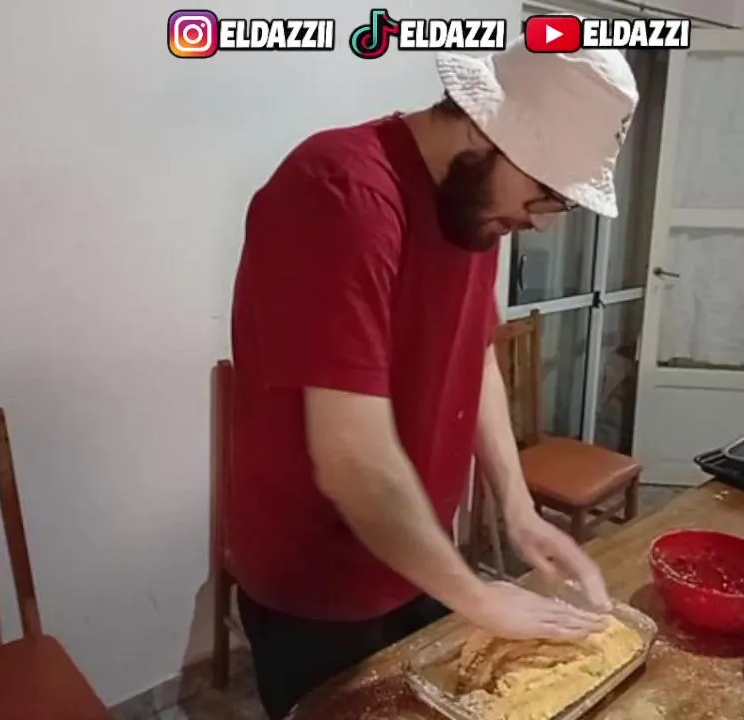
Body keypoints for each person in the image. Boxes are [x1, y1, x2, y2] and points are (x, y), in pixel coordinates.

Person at [228, 34, 640, 719]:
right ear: (486, 128)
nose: (539, 223)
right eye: (546, 194)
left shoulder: (472, 205)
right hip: (318, 576)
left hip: (416, 554)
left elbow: (474, 355)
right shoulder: (341, 194)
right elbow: (353, 460)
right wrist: (477, 597)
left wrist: (516, 508)